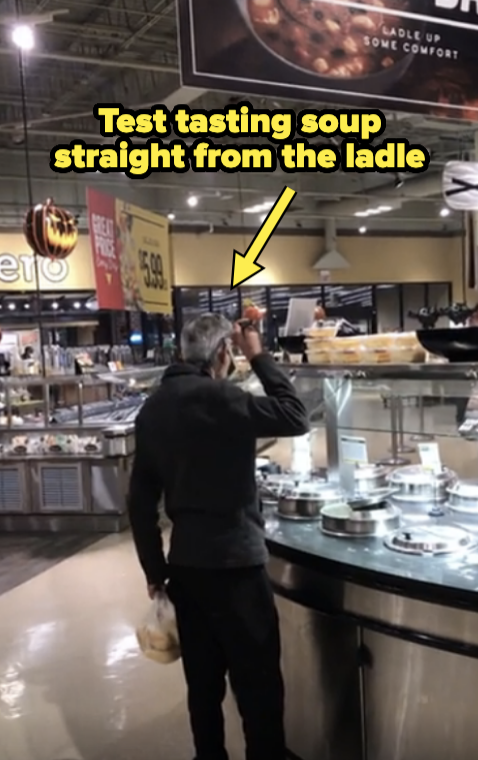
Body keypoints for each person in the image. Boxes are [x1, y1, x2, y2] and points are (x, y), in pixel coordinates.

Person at [128, 313, 309, 760]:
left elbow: (139, 500)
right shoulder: (224, 398)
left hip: (186, 568)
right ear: (223, 354)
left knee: (203, 686)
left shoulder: (153, 409)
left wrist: (154, 569)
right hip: (238, 568)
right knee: (258, 686)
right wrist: (260, 355)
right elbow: (295, 415)